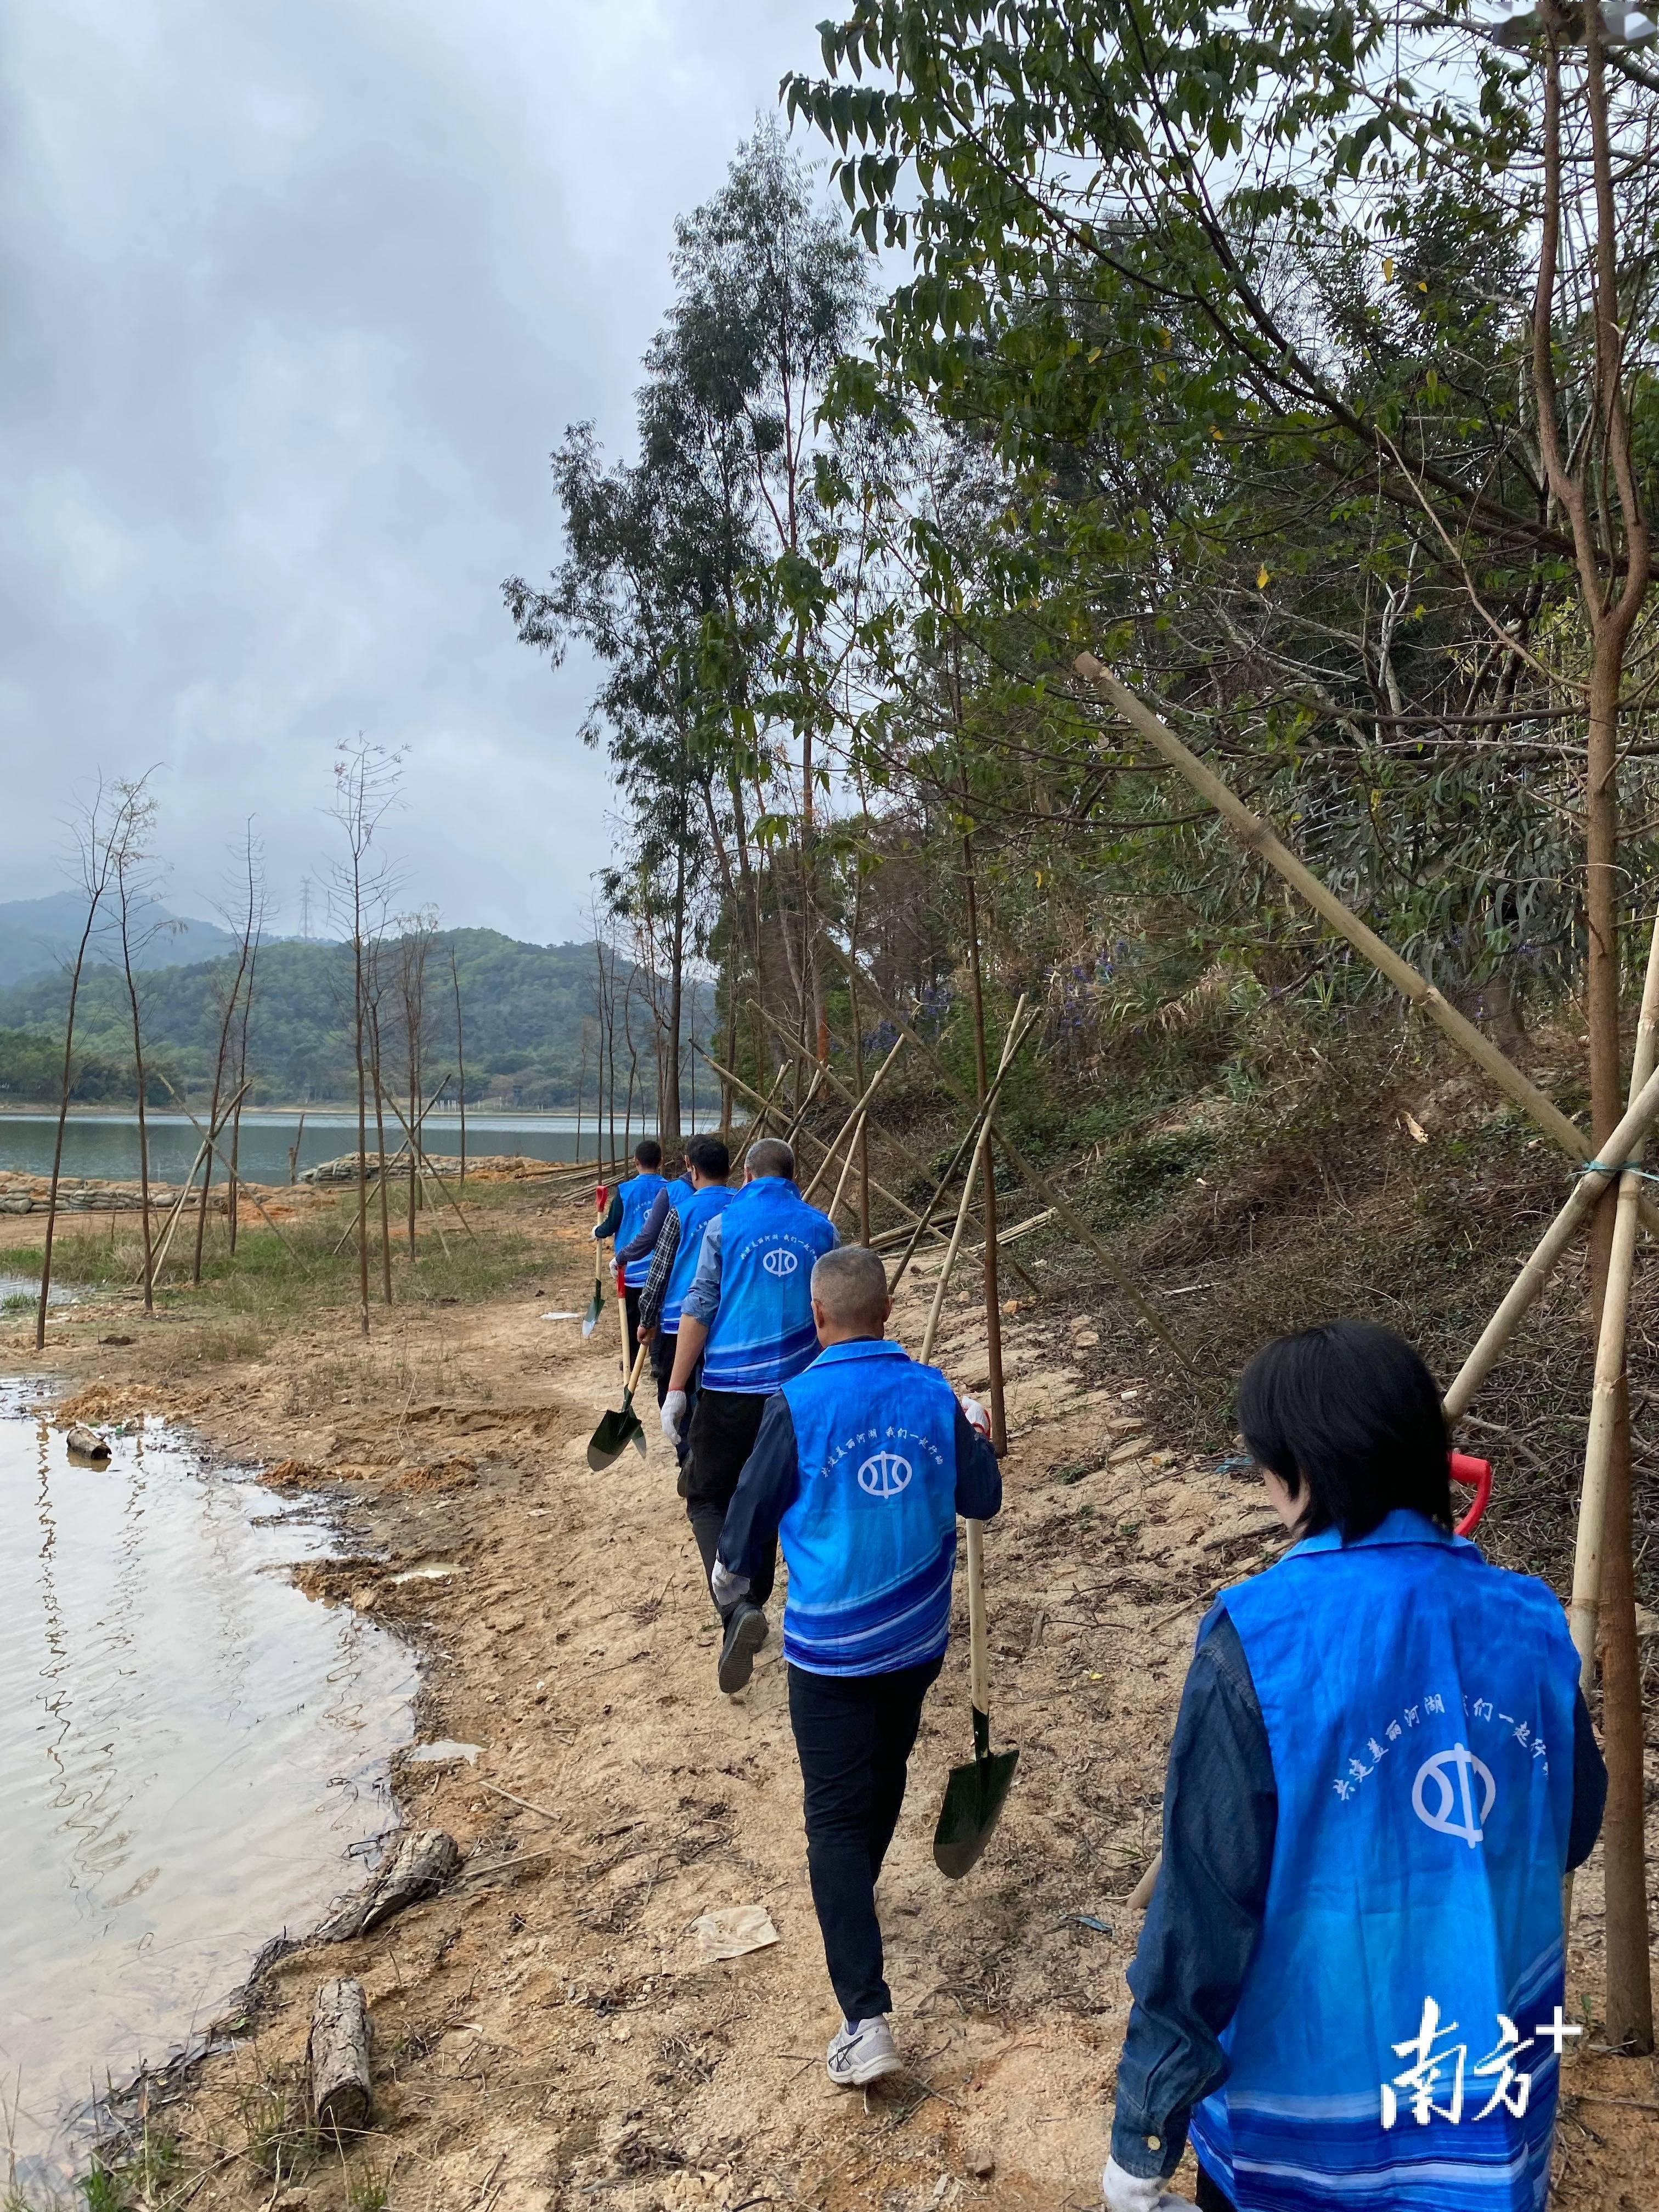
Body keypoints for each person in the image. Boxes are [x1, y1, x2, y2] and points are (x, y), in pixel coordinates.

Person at [1102, 1321, 1607, 2212]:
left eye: (1261, 1463)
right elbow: (1567, 1828)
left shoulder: (1255, 1637)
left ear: (1301, 1469)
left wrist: (1143, 2136)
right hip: (1478, 2115)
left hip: (1300, 2127)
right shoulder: (1528, 1620)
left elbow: (1202, 1909)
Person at [712, 1244, 1002, 2088]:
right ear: (885, 1314)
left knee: (837, 1818)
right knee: (883, 1779)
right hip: (916, 1641)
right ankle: (855, 1906)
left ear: (819, 1318)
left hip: (831, 1652)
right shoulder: (933, 1394)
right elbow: (982, 1497)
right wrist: (974, 1433)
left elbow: (746, 1522)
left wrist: (733, 1585)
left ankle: (865, 2017)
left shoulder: (797, 1402)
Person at [661, 1136, 837, 1690]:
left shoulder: (725, 1226)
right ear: (794, 1177)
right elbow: (835, 1310)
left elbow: (699, 1308)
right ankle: (750, 1606)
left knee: (708, 1496)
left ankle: (737, 1610)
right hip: (800, 1398)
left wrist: (676, 1387)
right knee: (768, 1499)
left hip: (731, 1392)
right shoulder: (821, 1229)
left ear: (749, 1176)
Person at [637, 1135, 736, 1465]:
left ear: (690, 1169)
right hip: (728, 1321)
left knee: (674, 1390)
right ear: (730, 1169)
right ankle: (709, 1455)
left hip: (678, 1323)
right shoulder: (740, 1209)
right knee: (714, 1392)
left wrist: (646, 1319)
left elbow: (660, 1271)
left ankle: (688, 1457)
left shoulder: (681, 1213)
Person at [592, 1138, 672, 1368]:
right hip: (661, 1269)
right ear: (661, 1162)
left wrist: (598, 1231)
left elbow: (612, 1224)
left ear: (635, 1161)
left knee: (631, 1316)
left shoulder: (626, 1191)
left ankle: (630, 1356)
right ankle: (657, 1361)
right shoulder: (669, 1190)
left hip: (631, 1269)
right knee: (659, 1315)